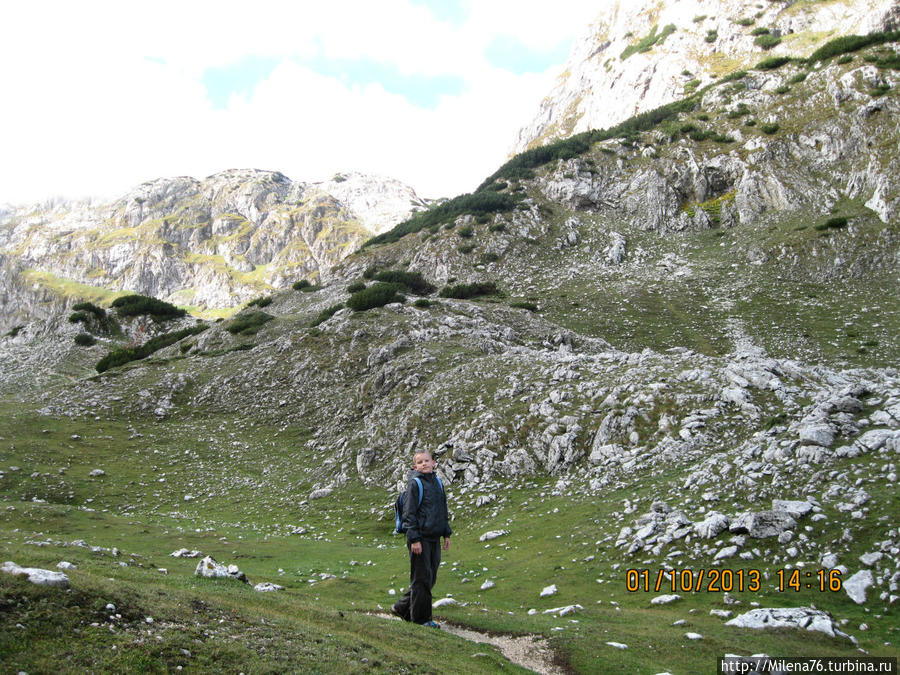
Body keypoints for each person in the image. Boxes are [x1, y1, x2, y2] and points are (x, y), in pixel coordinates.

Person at [391, 450, 451, 628]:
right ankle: (421, 620)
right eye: (420, 462)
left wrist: (446, 533)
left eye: (427, 460)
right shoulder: (415, 484)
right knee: (422, 578)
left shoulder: (438, 483)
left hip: (434, 537)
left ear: (433, 463)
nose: (424, 464)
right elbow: (409, 514)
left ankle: (402, 607)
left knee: (429, 578)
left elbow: (442, 510)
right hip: (420, 539)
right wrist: (414, 539)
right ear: (415, 466)